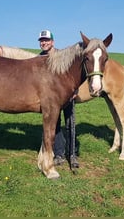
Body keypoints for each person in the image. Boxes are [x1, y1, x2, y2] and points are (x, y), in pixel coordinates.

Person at [38, 30, 79, 168]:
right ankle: (59, 153)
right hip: (51, 98)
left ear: (52, 42)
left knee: (70, 123)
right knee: (55, 124)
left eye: (46, 40)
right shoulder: (39, 58)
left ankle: (72, 155)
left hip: (67, 95)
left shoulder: (62, 56)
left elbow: (73, 75)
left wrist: (75, 90)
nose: (44, 42)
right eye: (42, 40)